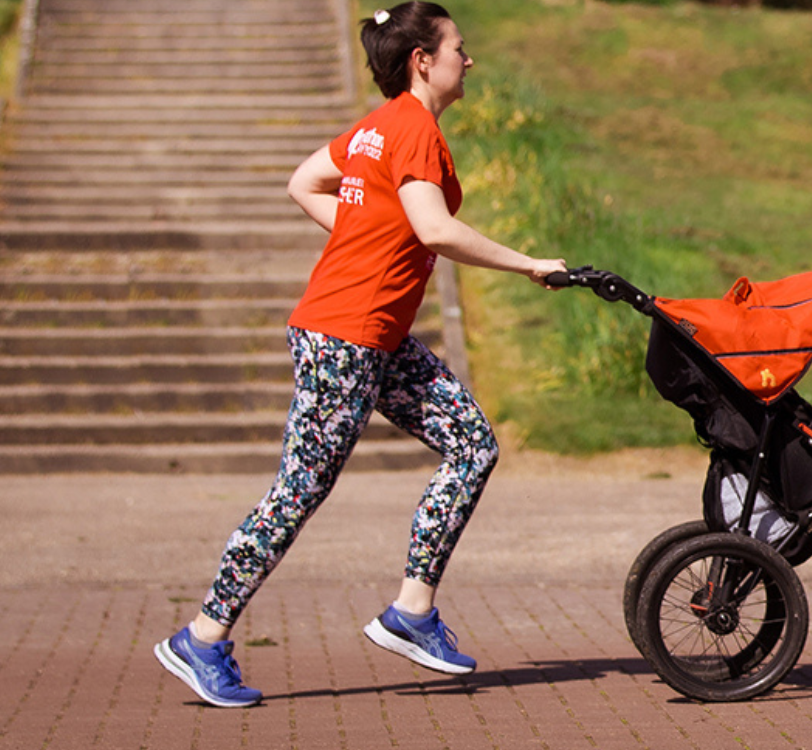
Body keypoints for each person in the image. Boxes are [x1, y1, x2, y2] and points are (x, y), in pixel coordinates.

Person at [153, 1, 568, 708]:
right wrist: (528, 263)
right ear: (422, 61)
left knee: (471, 443)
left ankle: (411, 611)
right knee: (298, 492)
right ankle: (204, 635)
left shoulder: (379, 129)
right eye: (459, 49)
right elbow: (435, 230)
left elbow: (304, 181)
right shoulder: (413, 132)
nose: (469, 61)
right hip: (343, 337)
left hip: (374, 337)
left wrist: (367, 235)